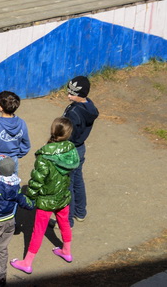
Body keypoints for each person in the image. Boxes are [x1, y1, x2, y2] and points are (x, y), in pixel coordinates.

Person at [10, 117, 79, 276]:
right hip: (63, 196)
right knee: (64, 223)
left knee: (38, 231)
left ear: (53, 131)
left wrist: (29, 197)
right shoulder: (71, 151)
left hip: (46, 200)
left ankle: (27, 262)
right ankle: (66, 251)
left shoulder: (44, 156)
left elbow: (37, 180)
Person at [0, 157, 33, 285]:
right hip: (10, 220)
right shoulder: (16, 184)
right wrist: (31, 203)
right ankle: (2, 275)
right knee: (2, 248)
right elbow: (23, 201)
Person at [63, 75, 98, 225]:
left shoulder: (74, 113)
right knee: (78, 180)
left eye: (72, 94)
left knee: (68, 184)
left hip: (70, 149)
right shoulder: (89, 106)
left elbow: (68, 135)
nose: (68, 95)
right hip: (80, 148)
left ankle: (67, 220)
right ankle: (80, 212)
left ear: (81, 95)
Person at [0, 90, 31, 170]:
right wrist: (16, 155)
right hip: (13, 161)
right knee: (13, 182)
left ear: (0, 107)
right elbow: (26, 145)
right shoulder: (22, 123)